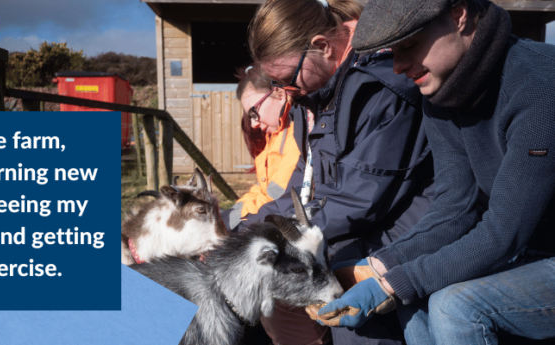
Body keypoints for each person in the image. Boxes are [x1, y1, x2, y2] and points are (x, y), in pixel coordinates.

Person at [317, 0, 555, 344]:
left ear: (459, 16)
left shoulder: (540, 89)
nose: (398, 66)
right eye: (393, 51)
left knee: (454, 306)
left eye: (410, 46)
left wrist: (392, 284)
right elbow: (455, 209)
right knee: (415, 299)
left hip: (535, 251)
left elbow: (505, 233)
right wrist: (378, 266)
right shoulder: (442, 94)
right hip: (529, 254)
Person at [240, 0, 436, 344]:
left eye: (286, 79)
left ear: (323, 46)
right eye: (276, 83)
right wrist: (247, 226)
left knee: (346, 321)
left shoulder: (380, 90)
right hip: (348, 237)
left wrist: (262, 235)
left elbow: (361, 199)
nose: (286, 92)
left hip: (400, 244)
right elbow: (304, 186)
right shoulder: (313, 97)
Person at [222, 66, 311, 231]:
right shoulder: (275, 136)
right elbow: (260, 192)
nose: (254, 124)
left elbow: (279, 199)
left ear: (279, 94)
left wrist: (231, 227)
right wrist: (225, 218)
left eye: (254, 113)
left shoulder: (295, 135)